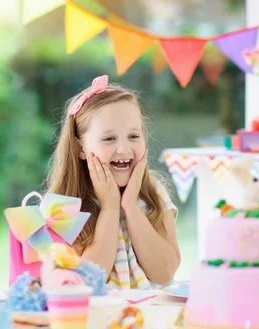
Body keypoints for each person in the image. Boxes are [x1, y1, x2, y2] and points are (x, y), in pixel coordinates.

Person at [46, 75, 180, 289]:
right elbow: (86, 282)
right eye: (109, 139)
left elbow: (164, 273)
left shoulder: (153, 192)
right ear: (81, 148)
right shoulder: (64, 203)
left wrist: (130, 207)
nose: (124, 149)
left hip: (147, 316)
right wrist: (109, 207)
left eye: (134, 136)